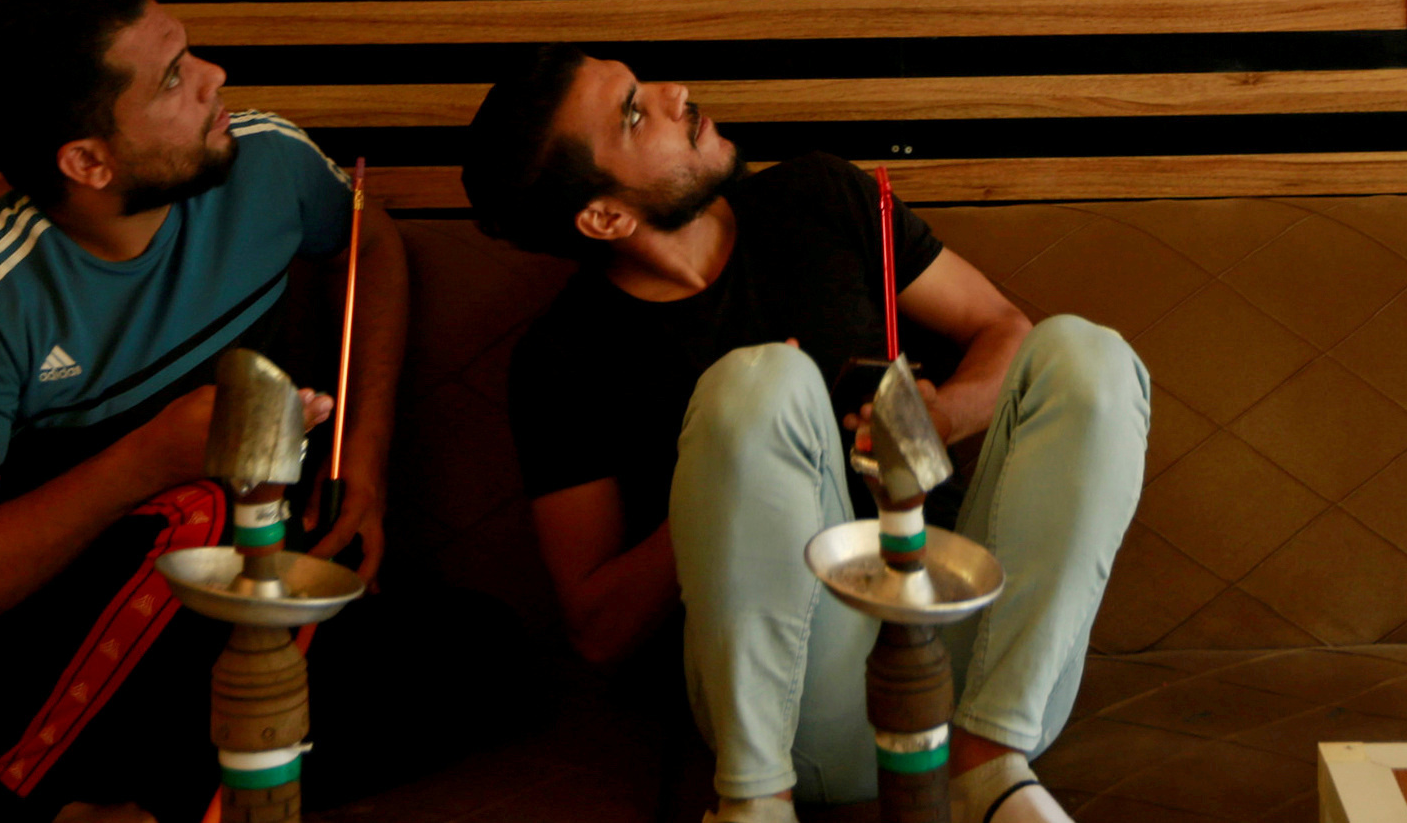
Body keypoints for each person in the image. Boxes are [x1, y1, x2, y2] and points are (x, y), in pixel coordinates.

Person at [0, 0, 506, 823]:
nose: (215, 79)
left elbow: (369, 240)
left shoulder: (266, 162)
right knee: (196, 511)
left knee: (489, 660)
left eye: (190, 54)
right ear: (89, 160)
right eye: (174, 77)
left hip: (227, 610)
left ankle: (139, 798)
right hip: (45, 646)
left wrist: (364, 453)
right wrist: (142, 462)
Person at [464, 46, 1150, 823]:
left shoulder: (819, 193)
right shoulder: (563, 358)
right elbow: (595, 629)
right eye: (632, 111)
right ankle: (755, 802)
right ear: (606, 216)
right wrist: (724, 473)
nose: (674, 92)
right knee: (758, 385)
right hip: (795, 709)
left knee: (1088, 355)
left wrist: (942, 415)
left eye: (643, 82)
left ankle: (988, 771)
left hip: (988, 679)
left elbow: (1003, 330)